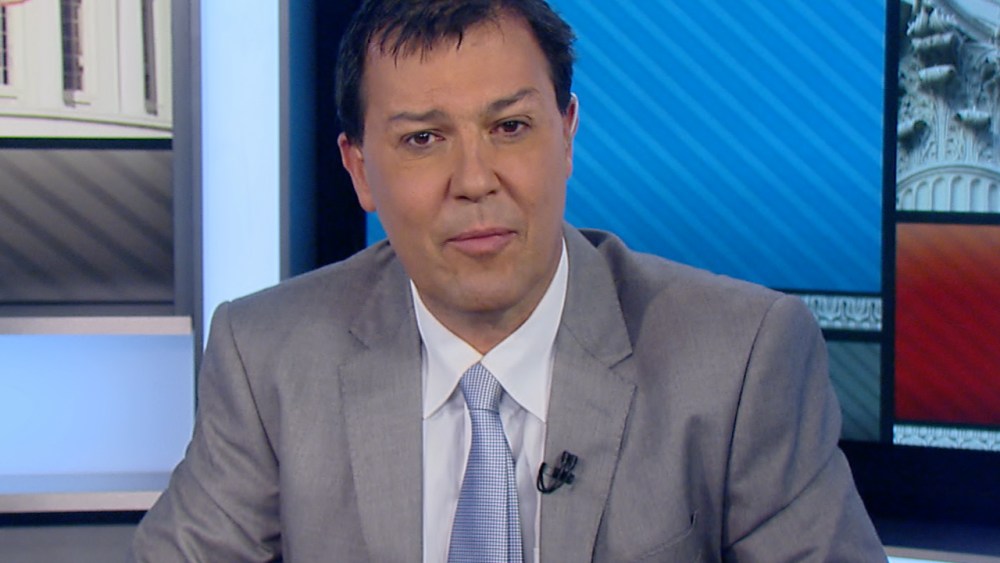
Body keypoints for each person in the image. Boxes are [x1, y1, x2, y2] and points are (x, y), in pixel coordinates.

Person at [130, 0, 887, 561]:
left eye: (510, 127)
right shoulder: (267, 356)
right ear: (359, 169)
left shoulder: (742, 359)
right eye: (423, 138)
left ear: (568, 133)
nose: (475, 179)